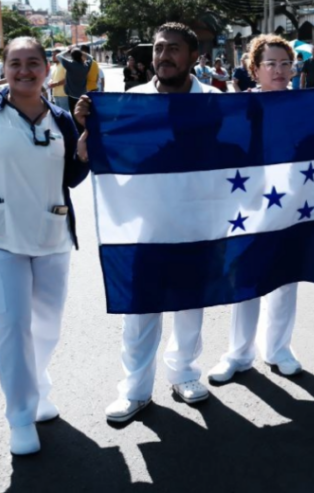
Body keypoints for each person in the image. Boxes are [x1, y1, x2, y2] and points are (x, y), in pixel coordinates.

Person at [0, 36, 89, 455]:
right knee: (10, 328)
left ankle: (37, 384)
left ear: (47, 69)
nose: (24, 71)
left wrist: (84, 153)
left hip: (52, 235)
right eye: (15, 63)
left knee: (47, 326)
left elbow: (70, 178)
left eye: (32, 63)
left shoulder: (61, 118)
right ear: (3, 69)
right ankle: (20, 416)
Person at [74, 23, 220, 424]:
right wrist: (88, 127)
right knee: (139, 312)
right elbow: (96, 155)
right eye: (158, 49)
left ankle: (184, 374)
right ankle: (135, 390)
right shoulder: (129, 103)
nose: (164, 56)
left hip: (196, 223)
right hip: (143, 225)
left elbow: (252, 139)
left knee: (190, 306)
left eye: (174, 49)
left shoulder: (215, 102)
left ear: (194, 56)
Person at [206, 35, 306, 384]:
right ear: (254, 69)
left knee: (285, 280)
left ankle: (278, 349)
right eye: (271, 64)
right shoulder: (238, 106)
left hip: (290, 204)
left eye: (285, 64)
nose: (279, 70)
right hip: (246, 205)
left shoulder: (307, 104)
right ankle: (238, 354)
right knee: (245, 279)